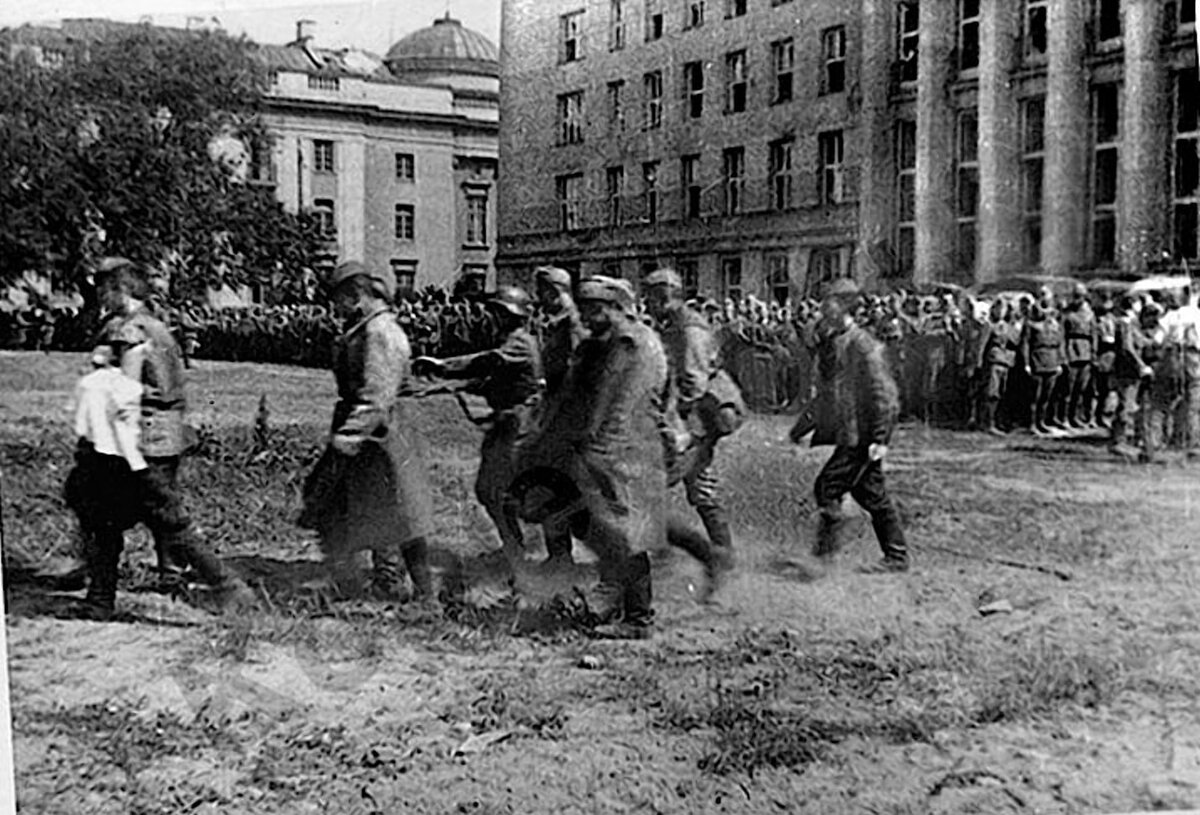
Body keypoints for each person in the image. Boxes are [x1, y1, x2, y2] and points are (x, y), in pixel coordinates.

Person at [63, 259, 253, 618]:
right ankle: (103, 597)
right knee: (151, 518)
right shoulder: (159, 328)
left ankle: (230, 589)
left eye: (104, 288)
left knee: (130, 519)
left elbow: (122, 394)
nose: (101, 296)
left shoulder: (126, 331)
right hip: (163, 438)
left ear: (119, 290)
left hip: (134, 441)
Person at [522, 275, 669, 639]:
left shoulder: (632, 344)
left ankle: (638, 619)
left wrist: (598, 450)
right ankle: (618, 600)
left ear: (617, 307)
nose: (586, 315)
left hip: (624, 452)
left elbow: (618, 405)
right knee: (606, 527)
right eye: (584, 306)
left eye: (594, 308)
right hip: (606, 451)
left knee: (626, 531)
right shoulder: (606, 343)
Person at [300, 260, 436, 602]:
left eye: (338, 299)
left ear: (356, 294)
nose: (335, 307)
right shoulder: (365, 327)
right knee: (380, 509)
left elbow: (377, 396)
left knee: (400, 512)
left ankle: (420, 594)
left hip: (384, 434)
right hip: (373, 432)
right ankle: (381, 581)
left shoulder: (380, 332)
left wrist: (346, 439)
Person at [412, 286, 543, 561]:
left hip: (518, 424)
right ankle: (514, 546)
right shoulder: (511, 340)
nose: (492, 317)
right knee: (490, 489)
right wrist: (444, 388)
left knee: (498, 489)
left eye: (498, 312)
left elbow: (487, 362)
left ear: (512, 315)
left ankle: (520, 550)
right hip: (507, 423)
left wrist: (443, 366)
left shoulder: (519, 341)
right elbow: (489, 381)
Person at [643, 268, 739, 599]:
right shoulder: (673, 325)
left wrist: (675, 421)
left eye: (651, 296)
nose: (648, 303)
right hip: (690, 422)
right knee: (701, 487)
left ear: (665, 295)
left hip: (693, 422)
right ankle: (721, 553)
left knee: (652, 486)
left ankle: (692, 555)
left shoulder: (689, 328)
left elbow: (693, 382)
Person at [806, 279, 909, 573]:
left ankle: (824, 557)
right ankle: (897, 556)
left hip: (861, 436)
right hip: (850, 432)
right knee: (871, 493)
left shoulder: (863, 344)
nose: (822, 307)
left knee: (826, 488)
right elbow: (829, 389)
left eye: (828, 302)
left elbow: (885, 395)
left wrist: (880, 438)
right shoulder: (836, 339)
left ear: (843, 305)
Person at [531, 265, 585, 563]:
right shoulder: (556, 322)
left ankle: (562, 557)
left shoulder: (572, 325)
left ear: (554, 292)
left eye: (541, 291)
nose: (538, 297)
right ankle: (559, 553)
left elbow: (580, 375)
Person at [1020, 301, 1066, 436]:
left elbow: (1059, 344)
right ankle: (1032, 423)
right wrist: (1027, 363)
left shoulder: (1055, 326)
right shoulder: (1031, 325)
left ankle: (1042, 421)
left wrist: (1060, 362)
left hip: (1052, 361)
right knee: (1035, 395)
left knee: (1047, 395)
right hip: (1037, 360)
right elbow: (1026, 344)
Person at [974, 299, 1019, 436]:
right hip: (993, 360)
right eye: (998, 309)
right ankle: (988, 423)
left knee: (1001, 393)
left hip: (1006, 362)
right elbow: (981, 345)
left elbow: (1015, 341)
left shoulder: (1008, 327)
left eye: (1004, 310)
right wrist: (979, 363)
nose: (1001, 312)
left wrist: (1011, 325)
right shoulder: (989, 326)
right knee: (991, 393)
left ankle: (998, 421)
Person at [1060, 283, 1096, 429]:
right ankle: (1063, 418)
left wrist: (1094, 353)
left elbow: (1094, 335)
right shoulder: (1067, 313)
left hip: (1085, 351)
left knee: (1081, 388)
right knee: (1068, 388)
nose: (1077, 299)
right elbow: (1062, 335)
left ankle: (1075, 416)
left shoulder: (1090, 314)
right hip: (1071, 349)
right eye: (1075, 296)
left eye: (1080, 296)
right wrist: (1063, 355)